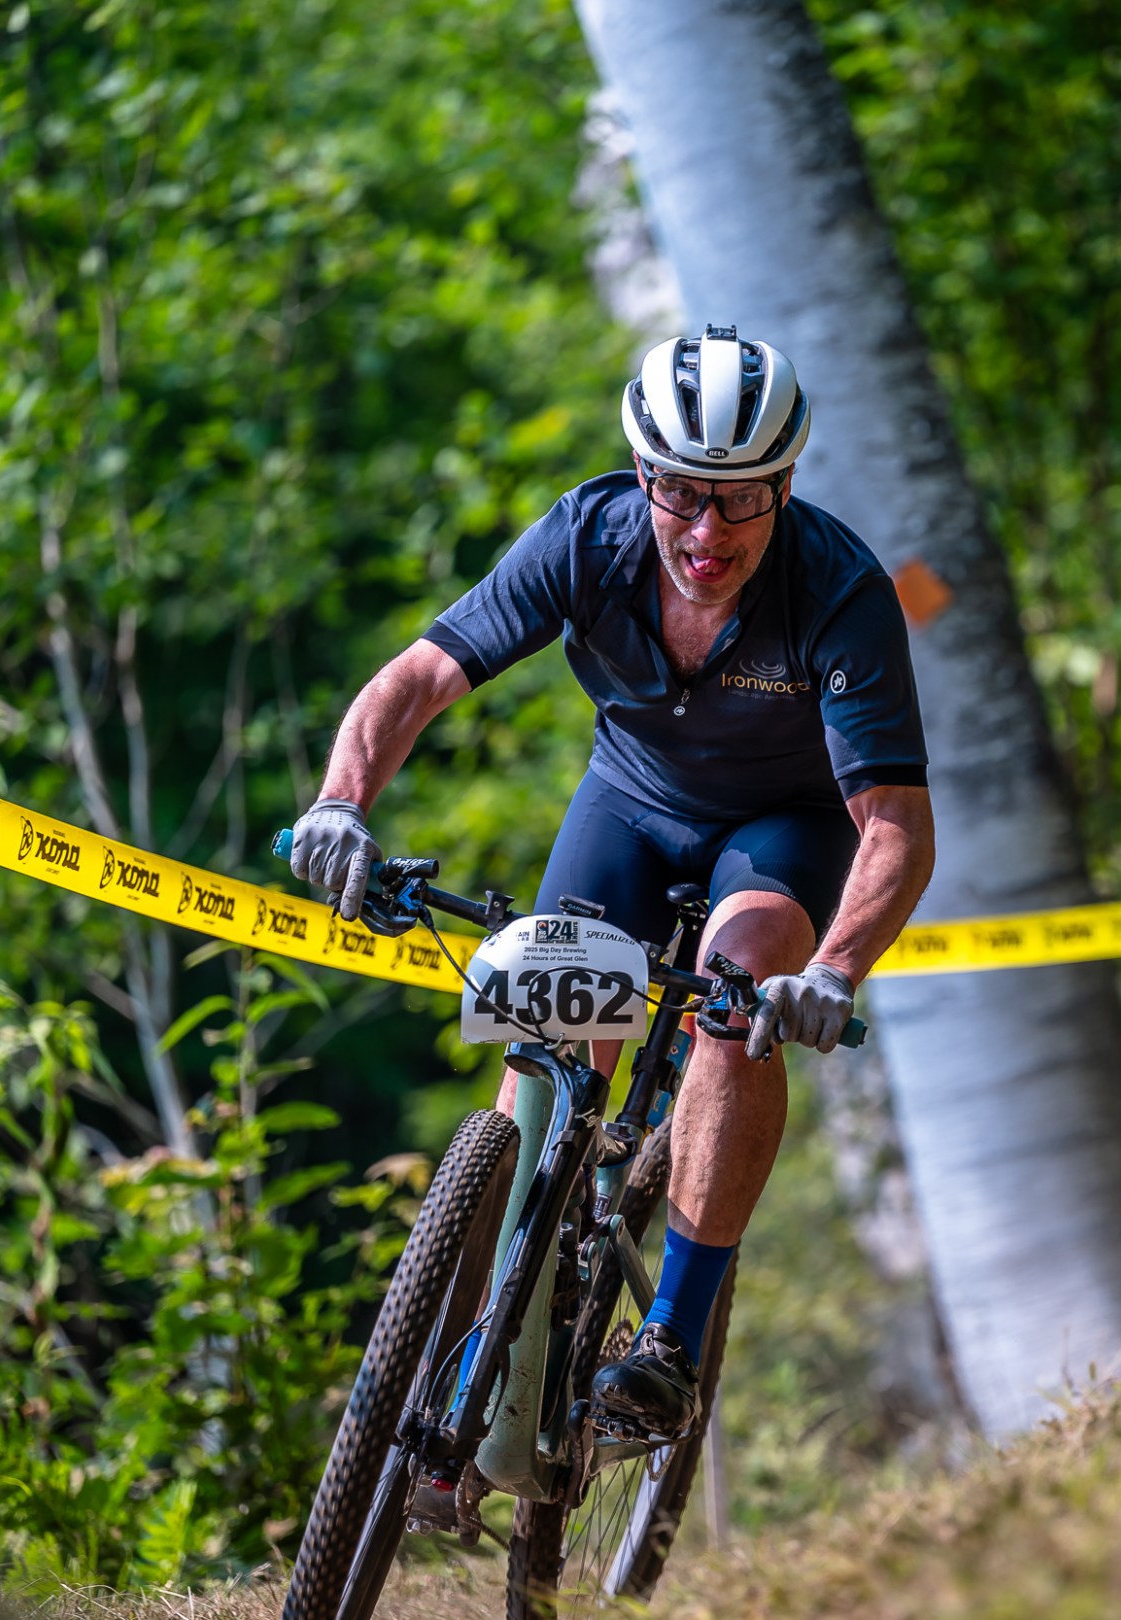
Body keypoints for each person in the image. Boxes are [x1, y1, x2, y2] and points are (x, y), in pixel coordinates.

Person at [287, 326, 936, 1439]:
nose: (708, 530)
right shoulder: (585, 540)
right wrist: (342, 803)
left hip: (779, 832)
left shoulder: (841, 593)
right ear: (643, 475)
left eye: (742, 498)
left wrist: (834, 970)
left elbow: (894, 827)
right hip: (630, 803)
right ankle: (496, 1332)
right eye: (683, 493)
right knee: (543, 1037)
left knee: (741, 992)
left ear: (784, 483)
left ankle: (670, 1340)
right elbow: (418, 679)